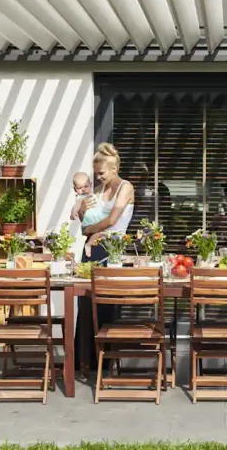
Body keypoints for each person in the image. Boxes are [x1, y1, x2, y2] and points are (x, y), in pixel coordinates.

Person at [74, 142, 135, 373]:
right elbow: (87, 220)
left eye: (101, 173)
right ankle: (84, 361)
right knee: (85, 305)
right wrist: (82, 212)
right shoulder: (98, 191)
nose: (98, 177)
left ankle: (106, 362)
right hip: (92, 250)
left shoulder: (125, 188)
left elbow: (111, 221)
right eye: (96, 173)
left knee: (108, 305)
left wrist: (87, 230)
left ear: (114, 169)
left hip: (112, 250)